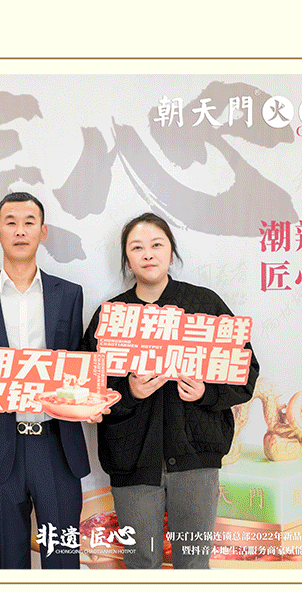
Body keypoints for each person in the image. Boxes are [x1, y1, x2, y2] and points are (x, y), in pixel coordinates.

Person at [80, 213, 259, 569]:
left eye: (156, 245)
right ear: (126, 258)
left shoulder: (204, 305)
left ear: (171, 251)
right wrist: (128, 391)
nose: (148, 254)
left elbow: (246, 373)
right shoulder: (111, 315)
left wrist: (206, 392)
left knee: (193, 563)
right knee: (141, 562)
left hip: (196, 459)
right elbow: (85, 388)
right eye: (137, 247)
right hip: (132, 461)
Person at [0, 192, 92, 569]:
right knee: (9, 568)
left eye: (29, 222)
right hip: (0, 445)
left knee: (62, 563)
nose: (20, 230)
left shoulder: (69, 295)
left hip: (56, 446)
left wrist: (89, 399)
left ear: (43, 232)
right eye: (11, 222)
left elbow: (77, 364)